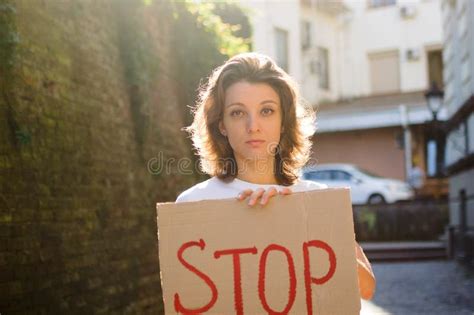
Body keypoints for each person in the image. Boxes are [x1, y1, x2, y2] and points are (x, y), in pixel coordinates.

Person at [176, 52, 375, 300]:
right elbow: (189, 301)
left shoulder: (317, 198)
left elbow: (365, 289)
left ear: (283, 121)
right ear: (222, 124)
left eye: (267, 111)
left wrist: (292, 220)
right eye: (238, 113)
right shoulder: (193, 205)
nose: (253, 126)